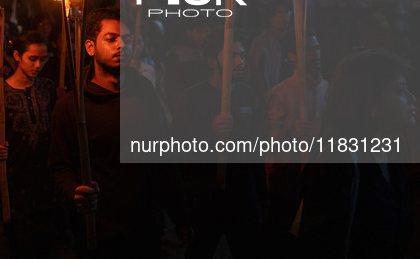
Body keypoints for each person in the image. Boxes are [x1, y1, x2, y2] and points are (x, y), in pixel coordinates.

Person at [48, 8, 189, 258]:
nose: (122, 45)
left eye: (127, 39)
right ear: (90, 47)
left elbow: (164, 160)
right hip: (98, 232)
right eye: (111, 39)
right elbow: (59, 168)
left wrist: (181, 217)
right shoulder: (72, 106)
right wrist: (75, 192)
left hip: (146, 229)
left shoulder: (144, 91)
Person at [298, 50, 416, 258]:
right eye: (399, 91)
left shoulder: (393, 154)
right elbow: (321, 242)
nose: (411, 98)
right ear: (371, 104)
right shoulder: (339, 163)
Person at [172, 29, 266, 259]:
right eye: (232, 56)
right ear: (212, 62)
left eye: (242, 55)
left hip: (242, 193)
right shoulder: (192, 98)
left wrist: (261, 194)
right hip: (206, 194)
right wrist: (208, 132)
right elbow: (178, 148)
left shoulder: (247, 94)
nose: (240, 61)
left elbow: (255, 147)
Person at [0, 31, 57, 258]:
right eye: (32, 58)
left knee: (45, 244)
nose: (38, 64)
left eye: (43, 59)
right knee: (21, 245)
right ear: (17, 56)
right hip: (13, 181)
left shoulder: (47, 87)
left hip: (44, 180)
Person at [263, 33, 329, 255]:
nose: (316, 54)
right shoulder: (281, 93)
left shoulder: (328, 89)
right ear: (292, 56)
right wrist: (292, 133)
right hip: (290, 173)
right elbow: (271, 142)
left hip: (320, 170)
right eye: (308, 50)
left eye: (317, 48)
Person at [245, 0, 291, 108]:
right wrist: (267, 98)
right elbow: (257, 73)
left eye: (287, 13)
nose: (284, 17)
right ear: (270, 18)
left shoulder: (291, 39)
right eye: (280, 13)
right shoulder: (262, 43)